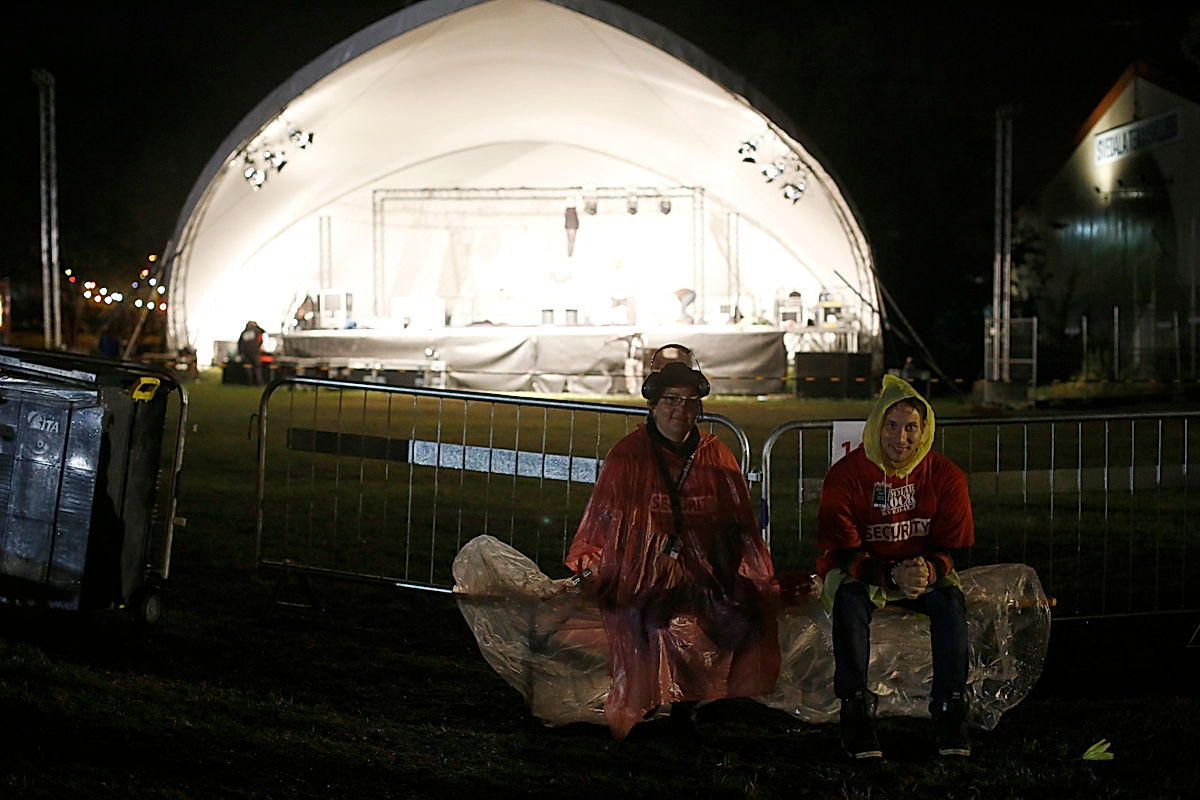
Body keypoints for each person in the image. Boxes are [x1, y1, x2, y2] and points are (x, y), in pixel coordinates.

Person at [565, 344, 780, 740]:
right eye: (671, 400)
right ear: (652, 405)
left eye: (689, 401)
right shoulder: (628, 456)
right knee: (654, 618)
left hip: (707, 574)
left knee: (743, 615)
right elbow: (604, 520)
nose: (680, 409)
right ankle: (654, 698)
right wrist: (611, 568)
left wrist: (728, 573)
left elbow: (739, 525)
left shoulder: (716, 456)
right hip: (640, 578)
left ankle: (697, 699)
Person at [816, 374, 975, 759]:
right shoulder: (845, 475)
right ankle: (855, 708)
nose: (899, 438)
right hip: (864, 570)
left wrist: (926, 571)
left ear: (925, 431)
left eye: (910, 427)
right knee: (850, 602)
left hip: (919, 572)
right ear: (875, 426)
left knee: (951, 602)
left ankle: (950, 707)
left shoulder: (946, 476)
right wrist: (889, 576)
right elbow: (843, 552)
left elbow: (953, 546)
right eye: (890, 425)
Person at [238, 320, 266, 385]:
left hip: (246, 352)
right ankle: (259, 382)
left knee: (248, 367)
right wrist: (257, 326)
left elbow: (240, 343)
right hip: (255, 352)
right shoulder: (256, 330)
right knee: (257, 367)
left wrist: (241, 352)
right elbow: (263, 331)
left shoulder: (244, 332)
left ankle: (249, 382)